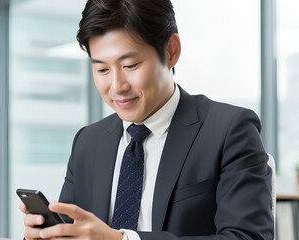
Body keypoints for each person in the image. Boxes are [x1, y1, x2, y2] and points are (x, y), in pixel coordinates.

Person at [21, 0, 274, 239]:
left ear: (171, 51)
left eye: (130, 65)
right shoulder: (88, 142)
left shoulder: (229, 130)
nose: (117, 86)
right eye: (102, 70)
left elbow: (246, 236)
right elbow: (73, 229)